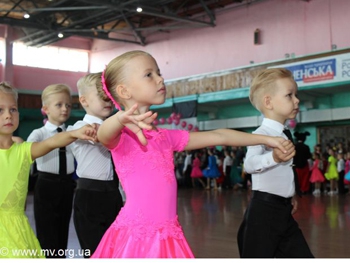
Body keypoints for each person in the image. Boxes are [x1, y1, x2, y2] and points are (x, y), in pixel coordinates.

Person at [90, 50, 288, 258]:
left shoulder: (166, 137)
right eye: (149, 74)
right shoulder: (122, 134)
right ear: (124, 91)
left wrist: (267, 139)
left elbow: (220, 135)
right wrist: (120, 119)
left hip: (168, 235)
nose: (160, 78)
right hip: (137, 237)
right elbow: (104, 135)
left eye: (158, 72)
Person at [0, 82, 97, 258]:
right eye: (0, 110)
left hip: (18, 225)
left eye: (13, 109)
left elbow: (52, 142)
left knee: (60, 231)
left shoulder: (22, 148)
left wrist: (74, 133)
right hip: (45, 185)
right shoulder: (36, 134)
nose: (8, 115)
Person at [237, 68, 314, 258]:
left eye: (296, 95)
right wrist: (274, 158)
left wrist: (289, 195)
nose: (297, 100)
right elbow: (249, 164)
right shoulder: (260, 135)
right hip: (263, 214)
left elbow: (284, 172)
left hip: (283, 211)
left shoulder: (284, 133)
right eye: (289, 95)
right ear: (268, 102)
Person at [67, 73, 123, 257]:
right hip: (90, 196)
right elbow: (101, 137)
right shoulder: (77, 128)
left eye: (110, 95)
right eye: (102, 95)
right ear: (84, 100)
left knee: (116, 250)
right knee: (95, 252)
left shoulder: (115, 126)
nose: (108, 100)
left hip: (114, 194)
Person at [26, 84, 76, 258]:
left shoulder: (73, 132)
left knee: (63, 228)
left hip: (68, 184)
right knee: (47, 230)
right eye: (59, 104)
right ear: (45, 109)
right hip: (46, 185)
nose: (65, 108)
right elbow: (27, 152)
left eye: (68, 105)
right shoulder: (39, 133)